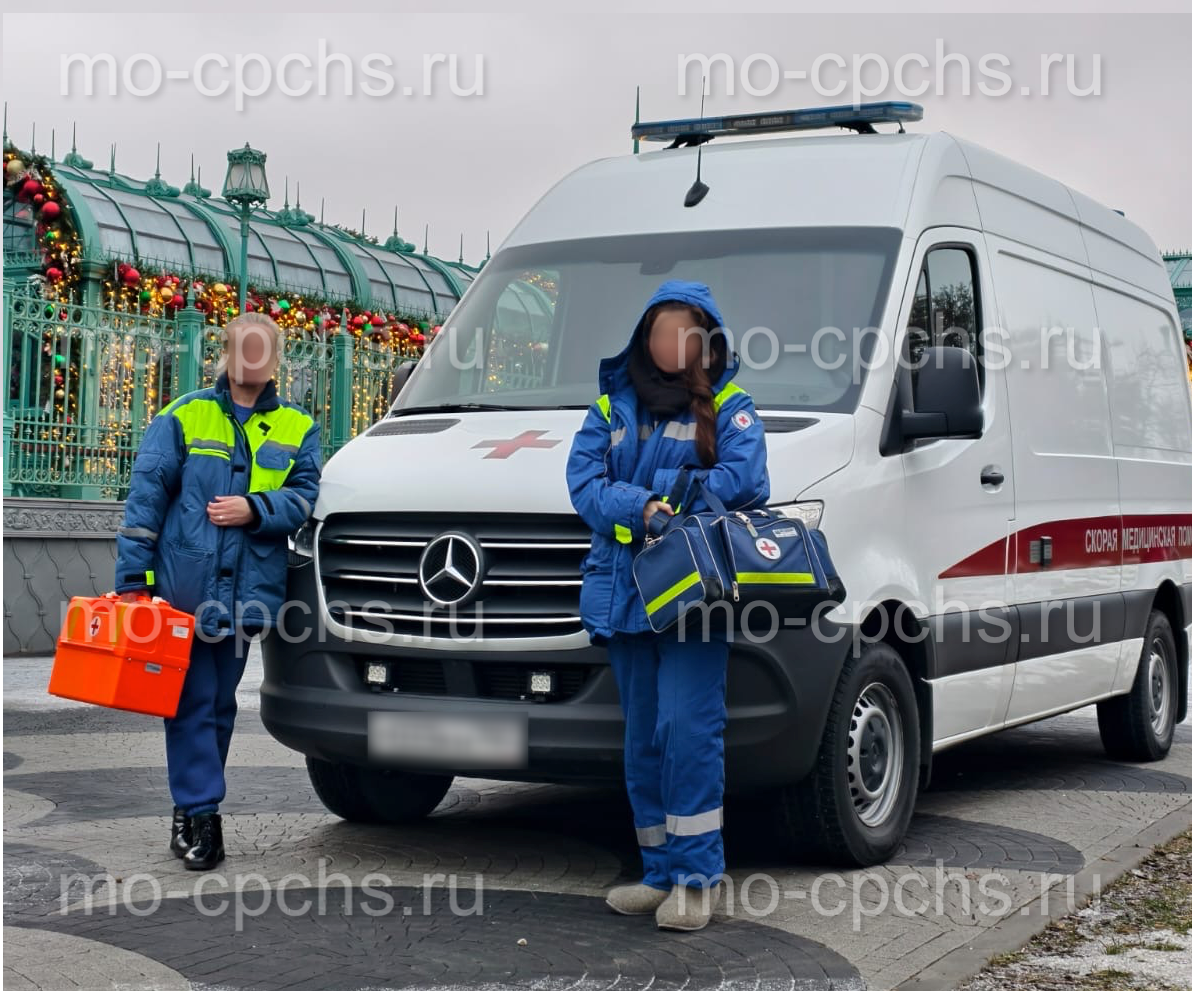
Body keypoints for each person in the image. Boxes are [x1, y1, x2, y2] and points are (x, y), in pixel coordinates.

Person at [565, 279, 769, 931]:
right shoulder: (611, 405)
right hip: (626, 598)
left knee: (688, 733)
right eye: (657, 331)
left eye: (680, 331)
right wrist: (641, 509)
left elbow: (744, 484)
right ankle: (657, 873)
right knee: (644, 740)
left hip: (692, 600)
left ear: (704, 341)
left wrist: (651, 498)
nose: (667, 343)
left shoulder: (734, 408)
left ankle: (698, 877)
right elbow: (584, 485)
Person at [113, 312, 322, 870]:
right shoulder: (183, 415)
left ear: (276, 360)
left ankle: (189, 810)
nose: (252, 360)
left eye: (263, 351)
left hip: (249, 594)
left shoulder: (298, 428)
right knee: (190, 703)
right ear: (226, 355)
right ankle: (203, 813)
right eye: (242, 350)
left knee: (220, 706)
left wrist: (256, 508)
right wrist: (134, 583)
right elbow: (145, 503)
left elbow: (305, 497)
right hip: (185, 592)